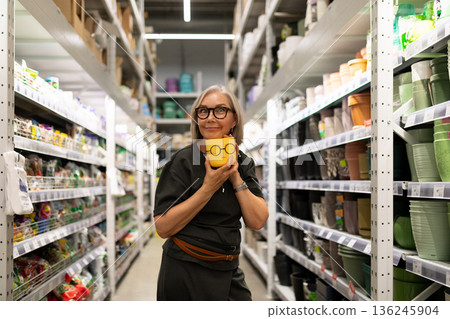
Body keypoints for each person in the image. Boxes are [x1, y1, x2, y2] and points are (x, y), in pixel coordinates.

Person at [154, 85, 269, 301]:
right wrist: (208, 187)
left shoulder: (244, 163)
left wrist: (234, 175)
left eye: (220, 110)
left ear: (234, 119)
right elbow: (163, 226)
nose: (210, 118)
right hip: (185, 268)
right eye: (203, 111)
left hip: (228, 267)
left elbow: (257, 220)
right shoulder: (182, 162)